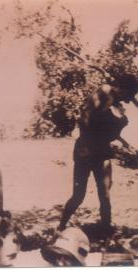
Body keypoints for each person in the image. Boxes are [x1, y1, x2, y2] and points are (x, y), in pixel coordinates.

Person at [58, 73, 138, 232]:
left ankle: (106, 229)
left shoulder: (116, 104)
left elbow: (107, 131)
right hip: (86, 149)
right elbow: (84, 118)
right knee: (78, 195)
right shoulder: (106, 91)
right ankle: (60, 227)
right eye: (131, 93)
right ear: (123, 89)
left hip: (102, 151)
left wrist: (126, 144)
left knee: (105, 193)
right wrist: (86, 146)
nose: (130, 98)